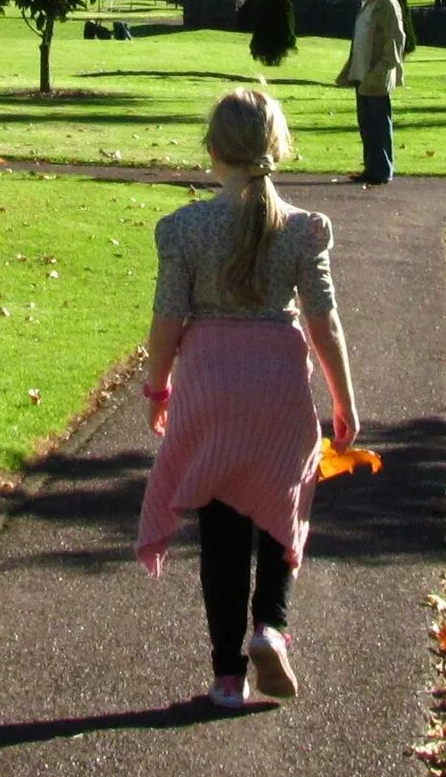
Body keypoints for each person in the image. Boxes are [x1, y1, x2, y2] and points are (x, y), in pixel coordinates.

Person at [136, 87, 362, 711]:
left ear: (213, 150)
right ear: (277, 148)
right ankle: (271, 627)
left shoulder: (184, 228)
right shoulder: (302, 230)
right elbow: (324, 322)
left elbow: (167, 320)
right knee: (281, 513)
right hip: (278, 393)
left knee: (222, 534)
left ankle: (226, 677)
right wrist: (343, 400)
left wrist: (157, 388)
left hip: (209, 387)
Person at [337, 0, 407, 184]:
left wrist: (380, 70)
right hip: (361, 72)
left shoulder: (387, 5)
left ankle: (383, 170)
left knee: (379, 123)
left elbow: (395, 40)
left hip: (376, 74)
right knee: (366, 124)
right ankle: (371, 168)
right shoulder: (367, 4)